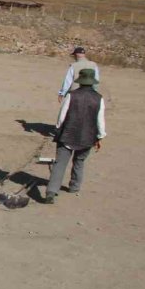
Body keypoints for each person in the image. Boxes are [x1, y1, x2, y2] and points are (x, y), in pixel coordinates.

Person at [45, 69, 106, 204]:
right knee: (79, 162)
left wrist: (58, 129)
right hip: (88, 136)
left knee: (60, 164)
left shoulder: (71, 95)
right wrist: (100, 136)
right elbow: (100, 121)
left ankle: (51, 191)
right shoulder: (99, 98)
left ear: (80, 81)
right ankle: (74, 187)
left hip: (67, 134)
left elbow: (62, 116)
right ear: (92, 82)